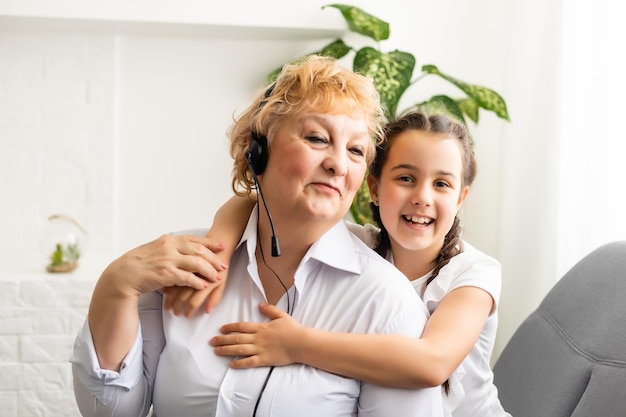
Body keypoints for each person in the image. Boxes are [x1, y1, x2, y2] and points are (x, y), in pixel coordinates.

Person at [69, 55, 443, 417]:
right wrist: (115, 286)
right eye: (316, 138)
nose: (337, 164)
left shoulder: (386, 303)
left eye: (356, 150)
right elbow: (111, 412)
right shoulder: (181, 266)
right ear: (257, 150)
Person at [166, 111, 510, 416]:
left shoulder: (474, 273)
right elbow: (255, 202)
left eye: (441, 184)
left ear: (461, 197)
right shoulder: (361, 248)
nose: (422, 196)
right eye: (405, 178)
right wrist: (217, 255)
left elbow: (432, 363)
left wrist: (296, 345)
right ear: (373, 189)